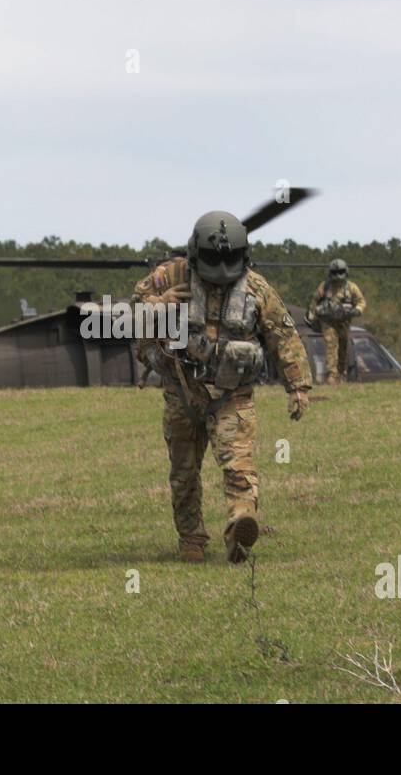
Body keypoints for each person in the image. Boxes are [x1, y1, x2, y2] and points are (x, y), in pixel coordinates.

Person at [134, 211, 313, 564]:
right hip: (183, 392)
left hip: (232, 396)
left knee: (238, 465)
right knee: (184, 473)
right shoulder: (168, 276)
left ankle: (240, 523)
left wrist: (298, 386)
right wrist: (158, 304)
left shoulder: (257, 289)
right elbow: (130, 313)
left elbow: (283, 334)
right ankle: (192, 539)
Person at [305, 259, 366, 385]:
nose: (338, 275)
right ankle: (332, 376)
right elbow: (314, 301)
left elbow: (361, 302)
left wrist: (356, 310)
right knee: (331, 344)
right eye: (335, 272)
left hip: (344, 322)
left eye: (341, 272)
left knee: (343, 347)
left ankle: (341, 374)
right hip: (328, 322)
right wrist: (313, 315)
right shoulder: (325, 286)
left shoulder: (351, 287)